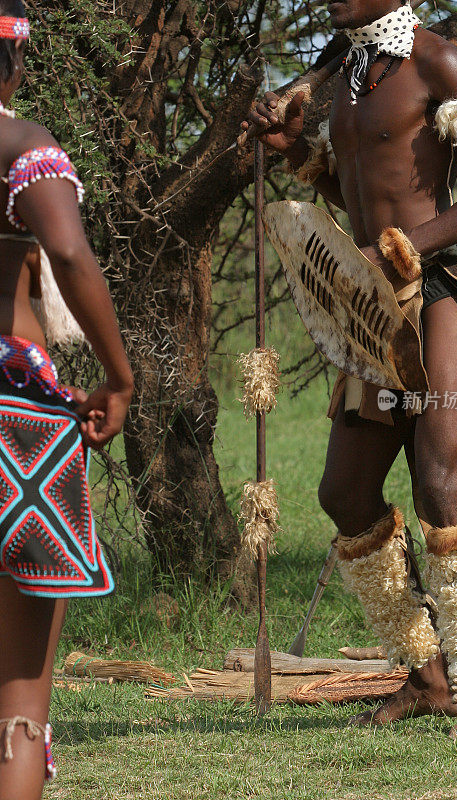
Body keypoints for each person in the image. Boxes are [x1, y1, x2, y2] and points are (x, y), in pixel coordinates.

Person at [241, 0, 457, 737]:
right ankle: (427, 677)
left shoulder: (436, 60)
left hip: (441, 294)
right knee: (345, 492)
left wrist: (405, 248)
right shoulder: (346, 79)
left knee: (441, 484)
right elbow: (358, 197)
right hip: (377, 312)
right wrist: (289, 149)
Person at [0, 2, 133, 796]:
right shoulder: (23, 146)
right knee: (18, 701)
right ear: (13, 63)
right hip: (17, 422)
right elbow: (70, 250)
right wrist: (119, 378)